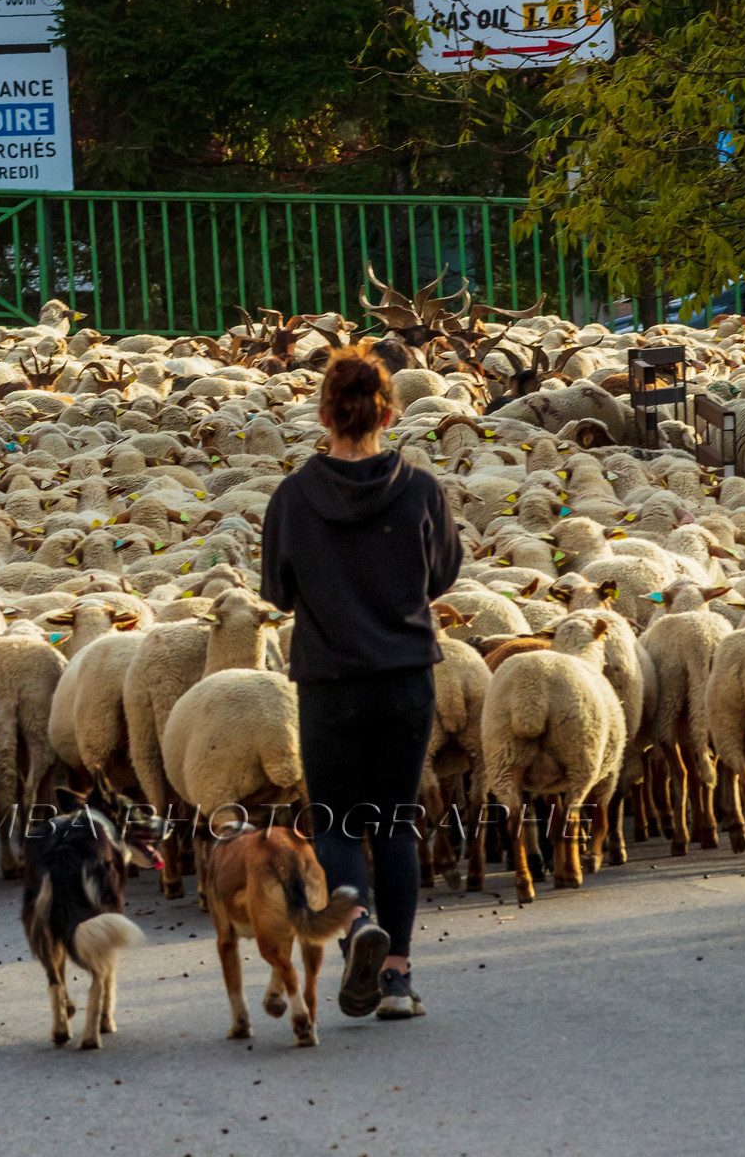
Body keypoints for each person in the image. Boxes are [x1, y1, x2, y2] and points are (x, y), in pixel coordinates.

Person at [259, 347, 462, 1022]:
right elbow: (440, 577)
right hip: (404, 679)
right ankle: (398, 976)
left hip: (329, 681)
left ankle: (357, 924)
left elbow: (279, 592)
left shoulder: (292, 497)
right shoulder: (422, 489)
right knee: (397, 824)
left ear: (324, 414)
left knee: (340, 825)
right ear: (388, 412)